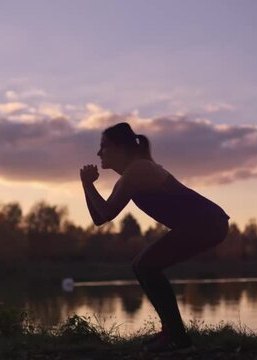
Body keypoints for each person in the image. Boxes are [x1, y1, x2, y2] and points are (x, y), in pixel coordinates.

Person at [80, 122, 230, 353]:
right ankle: (172, 334)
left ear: (120, 148)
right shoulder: (130, 175)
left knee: (145, 265)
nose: (99, 153)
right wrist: (86, 185)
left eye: (104, 147)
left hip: (208, 223)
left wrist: (88, 184)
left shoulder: (138, 170)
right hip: (204, 225)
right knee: (144, 266)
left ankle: (179, 340)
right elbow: (100, 219)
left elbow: (107, 212)